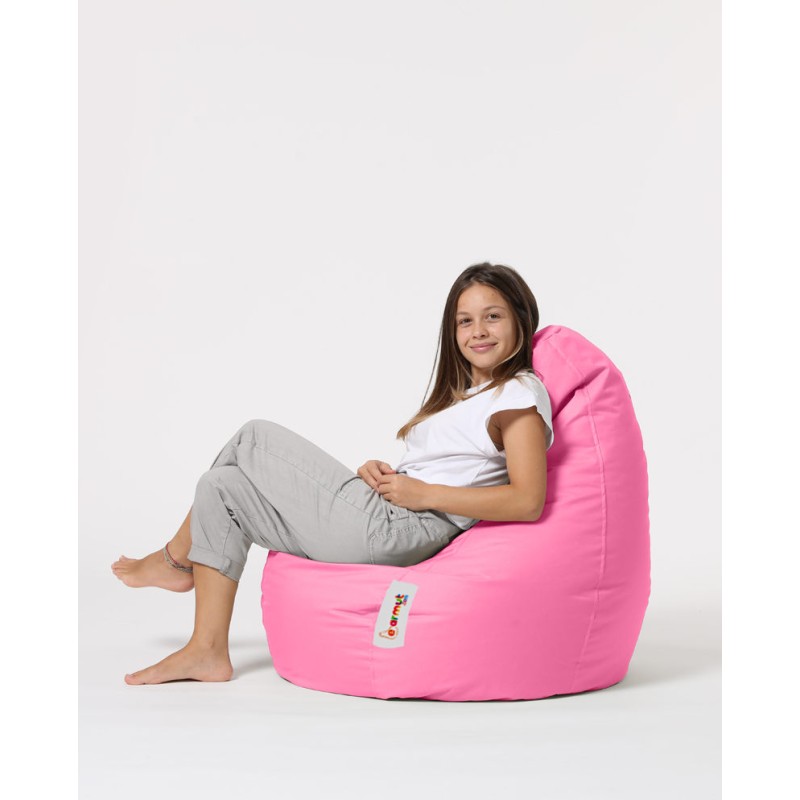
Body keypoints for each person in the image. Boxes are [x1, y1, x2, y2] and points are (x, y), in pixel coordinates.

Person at [111, 262, 555, 685]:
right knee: (219, 488)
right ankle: (206, 650)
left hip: (406, 528)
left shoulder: (517, 393)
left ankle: (174, 560)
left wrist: (424, 494)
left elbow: (527, 500)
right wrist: (387, 475)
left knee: (253, 438)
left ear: (520, 319)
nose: (478, 331)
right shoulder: (470, 396)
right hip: (392, 513)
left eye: (492, 317)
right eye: (464, 321)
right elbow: (452, 466)